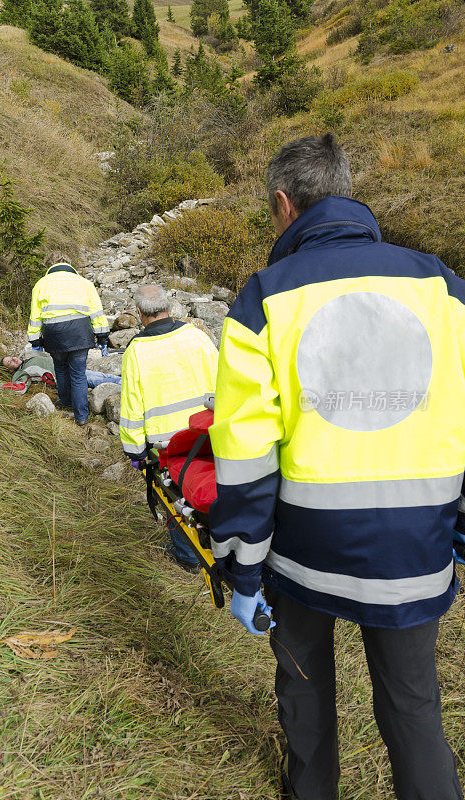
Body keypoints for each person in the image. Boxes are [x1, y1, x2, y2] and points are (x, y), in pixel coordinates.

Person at [209, 133, 465, 800]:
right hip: (416, 543)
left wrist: (241, 568)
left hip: (303, 549)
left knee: (304, 688)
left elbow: (244, 451)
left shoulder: (263, 298)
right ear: (348, 194)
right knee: (414, 708)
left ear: (283, 205)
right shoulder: (443, 287)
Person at [120, 284, 218, 571]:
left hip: (167, 447)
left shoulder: (136, 352)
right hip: (206, 435)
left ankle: (188, 559)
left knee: (174, 498)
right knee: (210, 489)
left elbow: (131, 409)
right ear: (169, 307)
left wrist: (135, 452)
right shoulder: (197, 337)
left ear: (139, 313)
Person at [27, 252, 109, 426]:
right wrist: (102, 336)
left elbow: (35, 316)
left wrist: (35, 340)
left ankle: (65, 402)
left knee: (61, 369)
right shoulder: (84, 283)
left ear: (49, 265)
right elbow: (97, 312)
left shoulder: (41, 284)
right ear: (70, 264)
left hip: (54, 334)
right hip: (80, 332)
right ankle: (81, 416)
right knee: (78, 374)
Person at [0, 354, 121, 394]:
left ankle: (127, 381)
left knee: (102, 376)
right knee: (95, 380)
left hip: (69, 368)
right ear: (9, 370)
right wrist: (1, 385)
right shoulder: (21, 373)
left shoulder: (26, 361)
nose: (13, 359)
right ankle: (127, 386)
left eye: (11, 357)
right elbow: (20, 388)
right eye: (10, 362)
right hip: (64, 377)